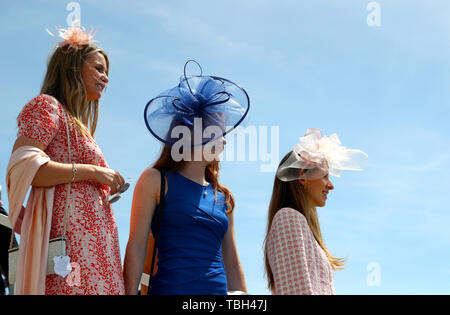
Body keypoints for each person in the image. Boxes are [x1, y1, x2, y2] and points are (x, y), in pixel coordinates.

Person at [6, 25, 125, 294]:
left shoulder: (79, 125)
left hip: (98, 250)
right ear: (73, 67)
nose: (105, 78)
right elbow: (23, 167)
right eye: (98, 68)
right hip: (70, 250)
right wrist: (95, 172)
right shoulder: (47, 106)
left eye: (106, 71)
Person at [123, 61, 249, 295]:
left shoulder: (224, 198)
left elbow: (231, 261)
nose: (224, 140)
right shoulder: (154, 180)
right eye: (218, 131)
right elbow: (137, 245)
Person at [264, 128, 368, 295]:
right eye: (325, 176)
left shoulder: (300, 224)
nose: (331, 185)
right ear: (303, 177)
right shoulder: (288, 218)